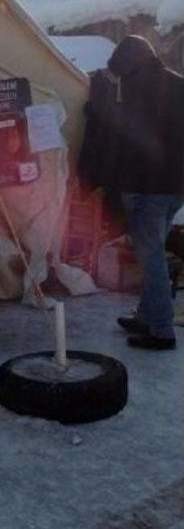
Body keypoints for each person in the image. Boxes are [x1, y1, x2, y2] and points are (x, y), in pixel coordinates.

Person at [78, 35, 184, 350]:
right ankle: (147, 316)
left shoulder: (133, 91)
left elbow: (119, 135)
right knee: (153, 254)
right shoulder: (178, 84)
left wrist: (95, 112)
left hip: (145, 188)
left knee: (150, 259)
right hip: (176, 189)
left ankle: (162, 331)